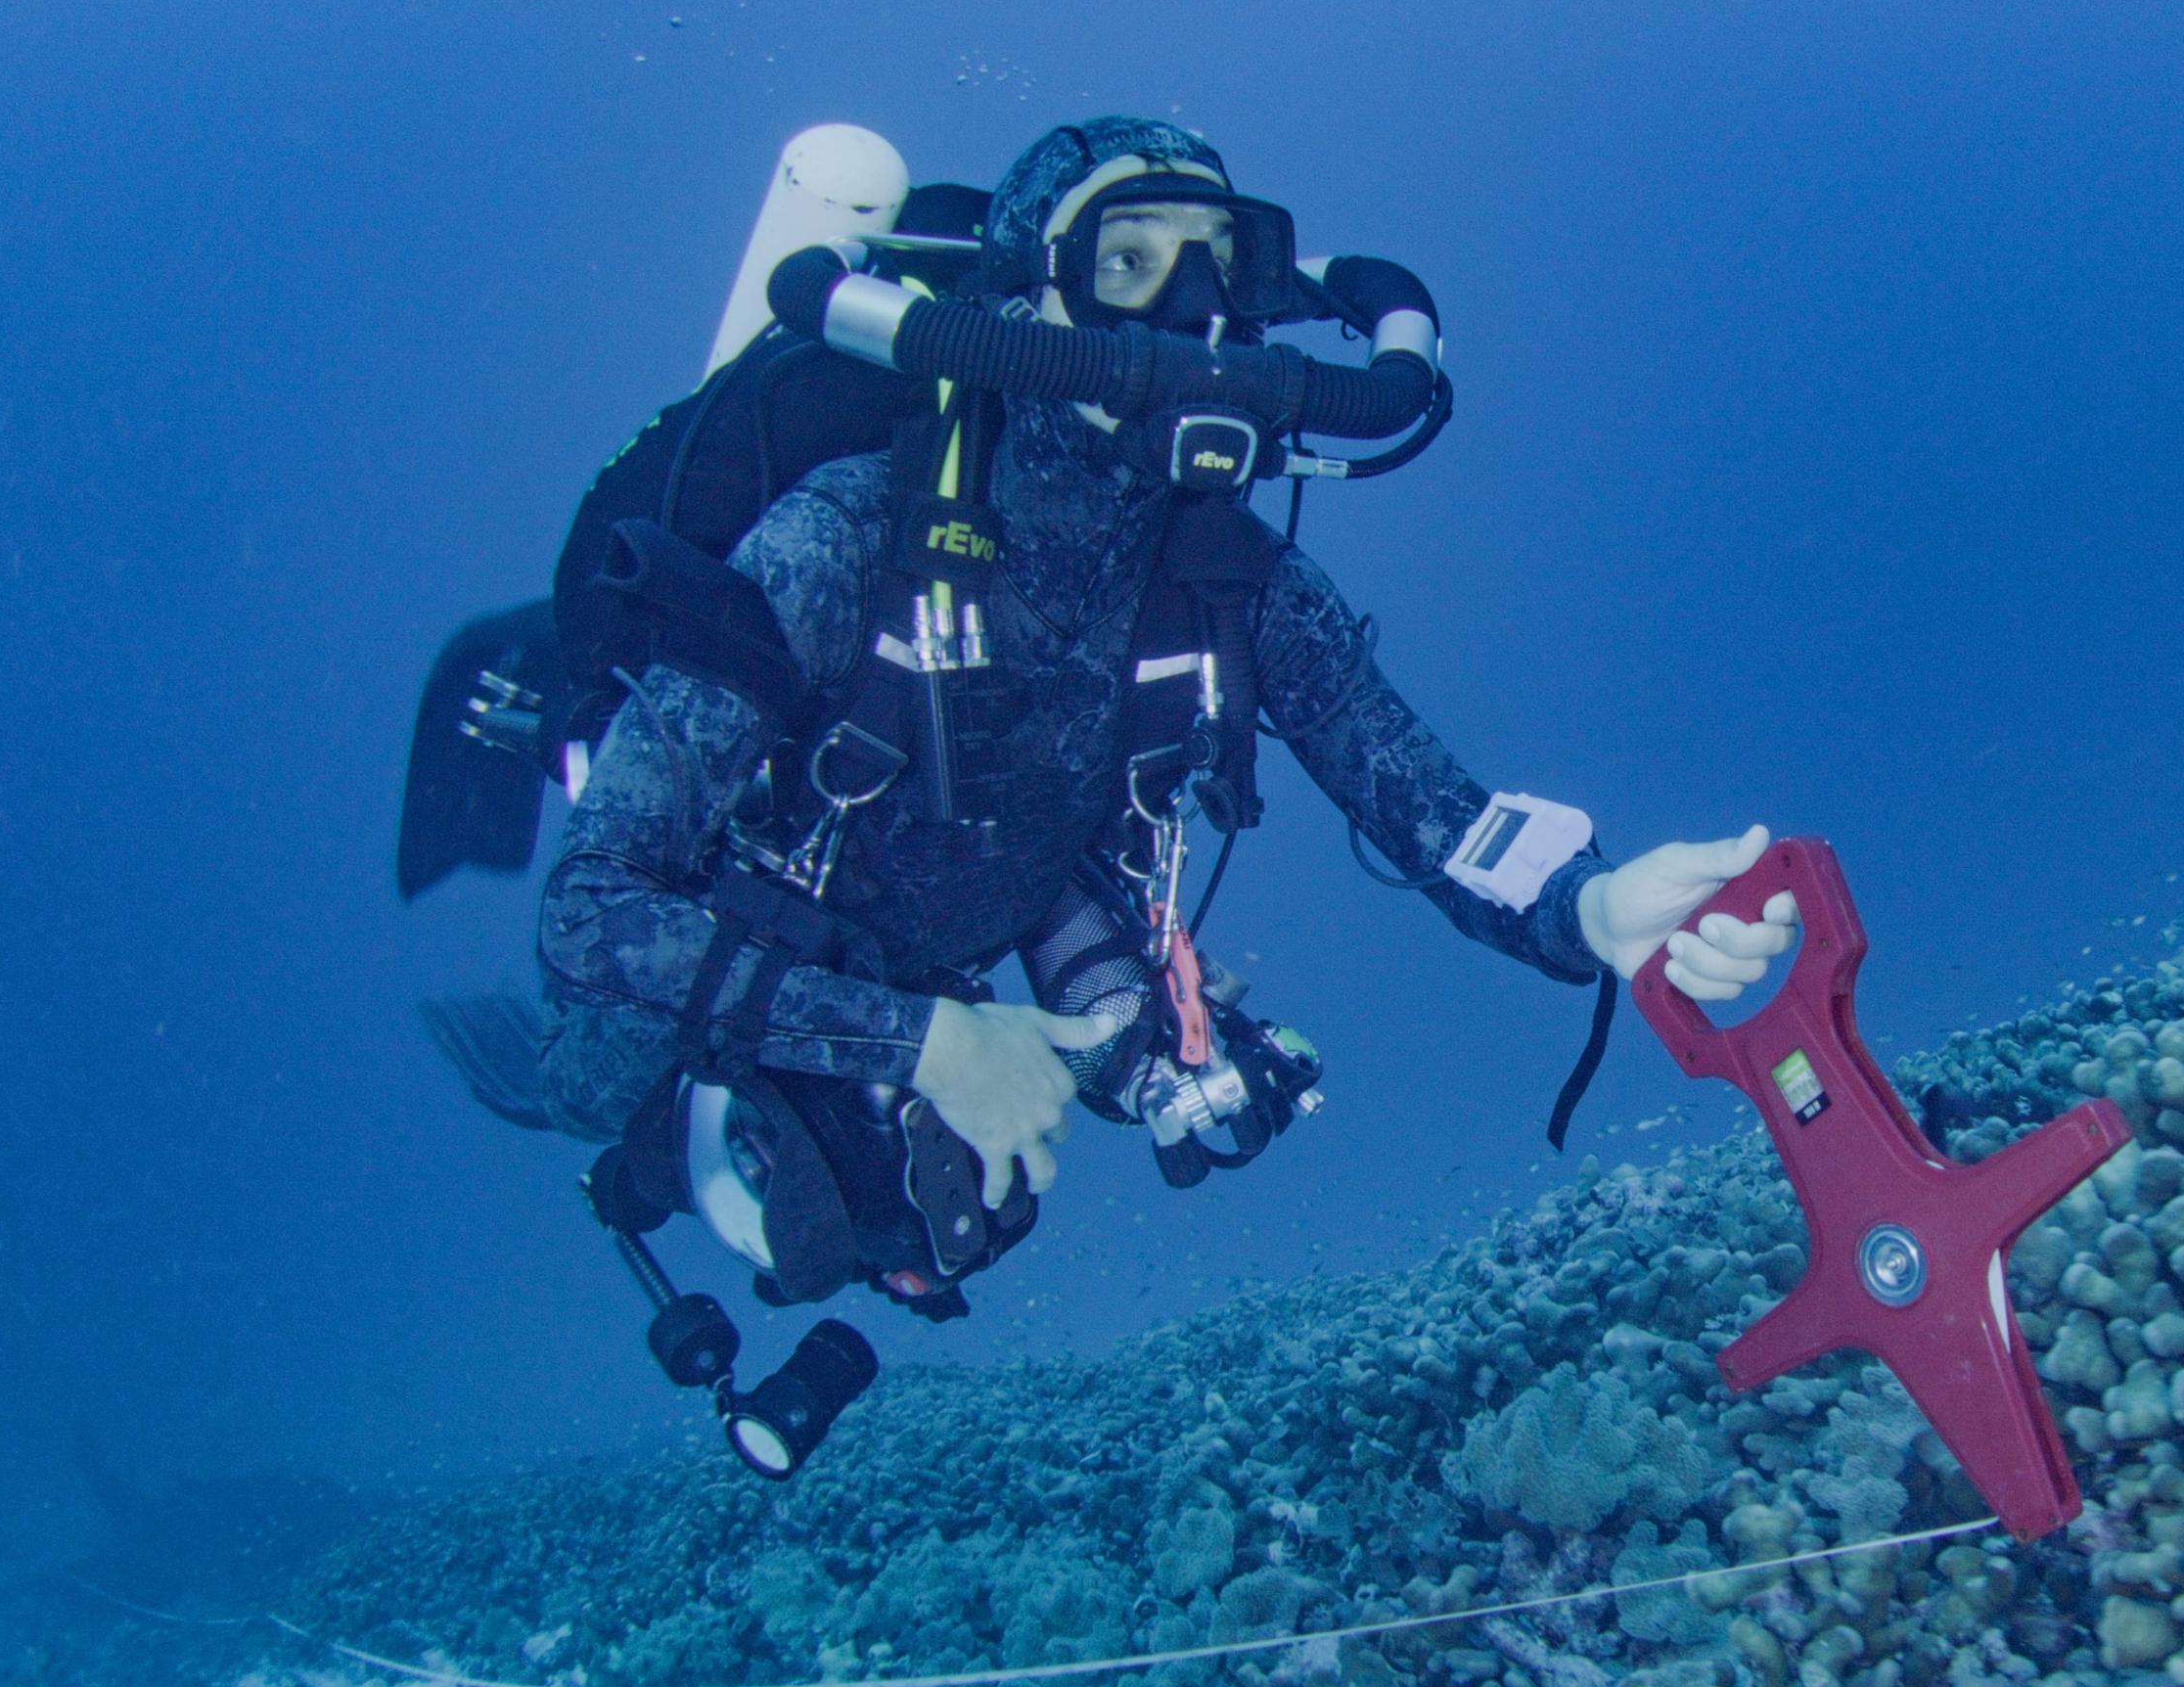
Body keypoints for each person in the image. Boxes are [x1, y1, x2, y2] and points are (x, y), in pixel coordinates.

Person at [528, 115, 1796, 1246]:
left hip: (982, 938)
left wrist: (1590, 907)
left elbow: (1437, 818)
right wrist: (928, 1047)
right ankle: (646, 1169)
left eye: (1221, 267)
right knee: (666, 1128)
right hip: (726, 956)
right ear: (1026, 307)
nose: (1187, 312)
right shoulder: (850, 539)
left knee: (944, 1216)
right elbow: (592, 920)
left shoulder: (1233, 581)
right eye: (1128, 262)